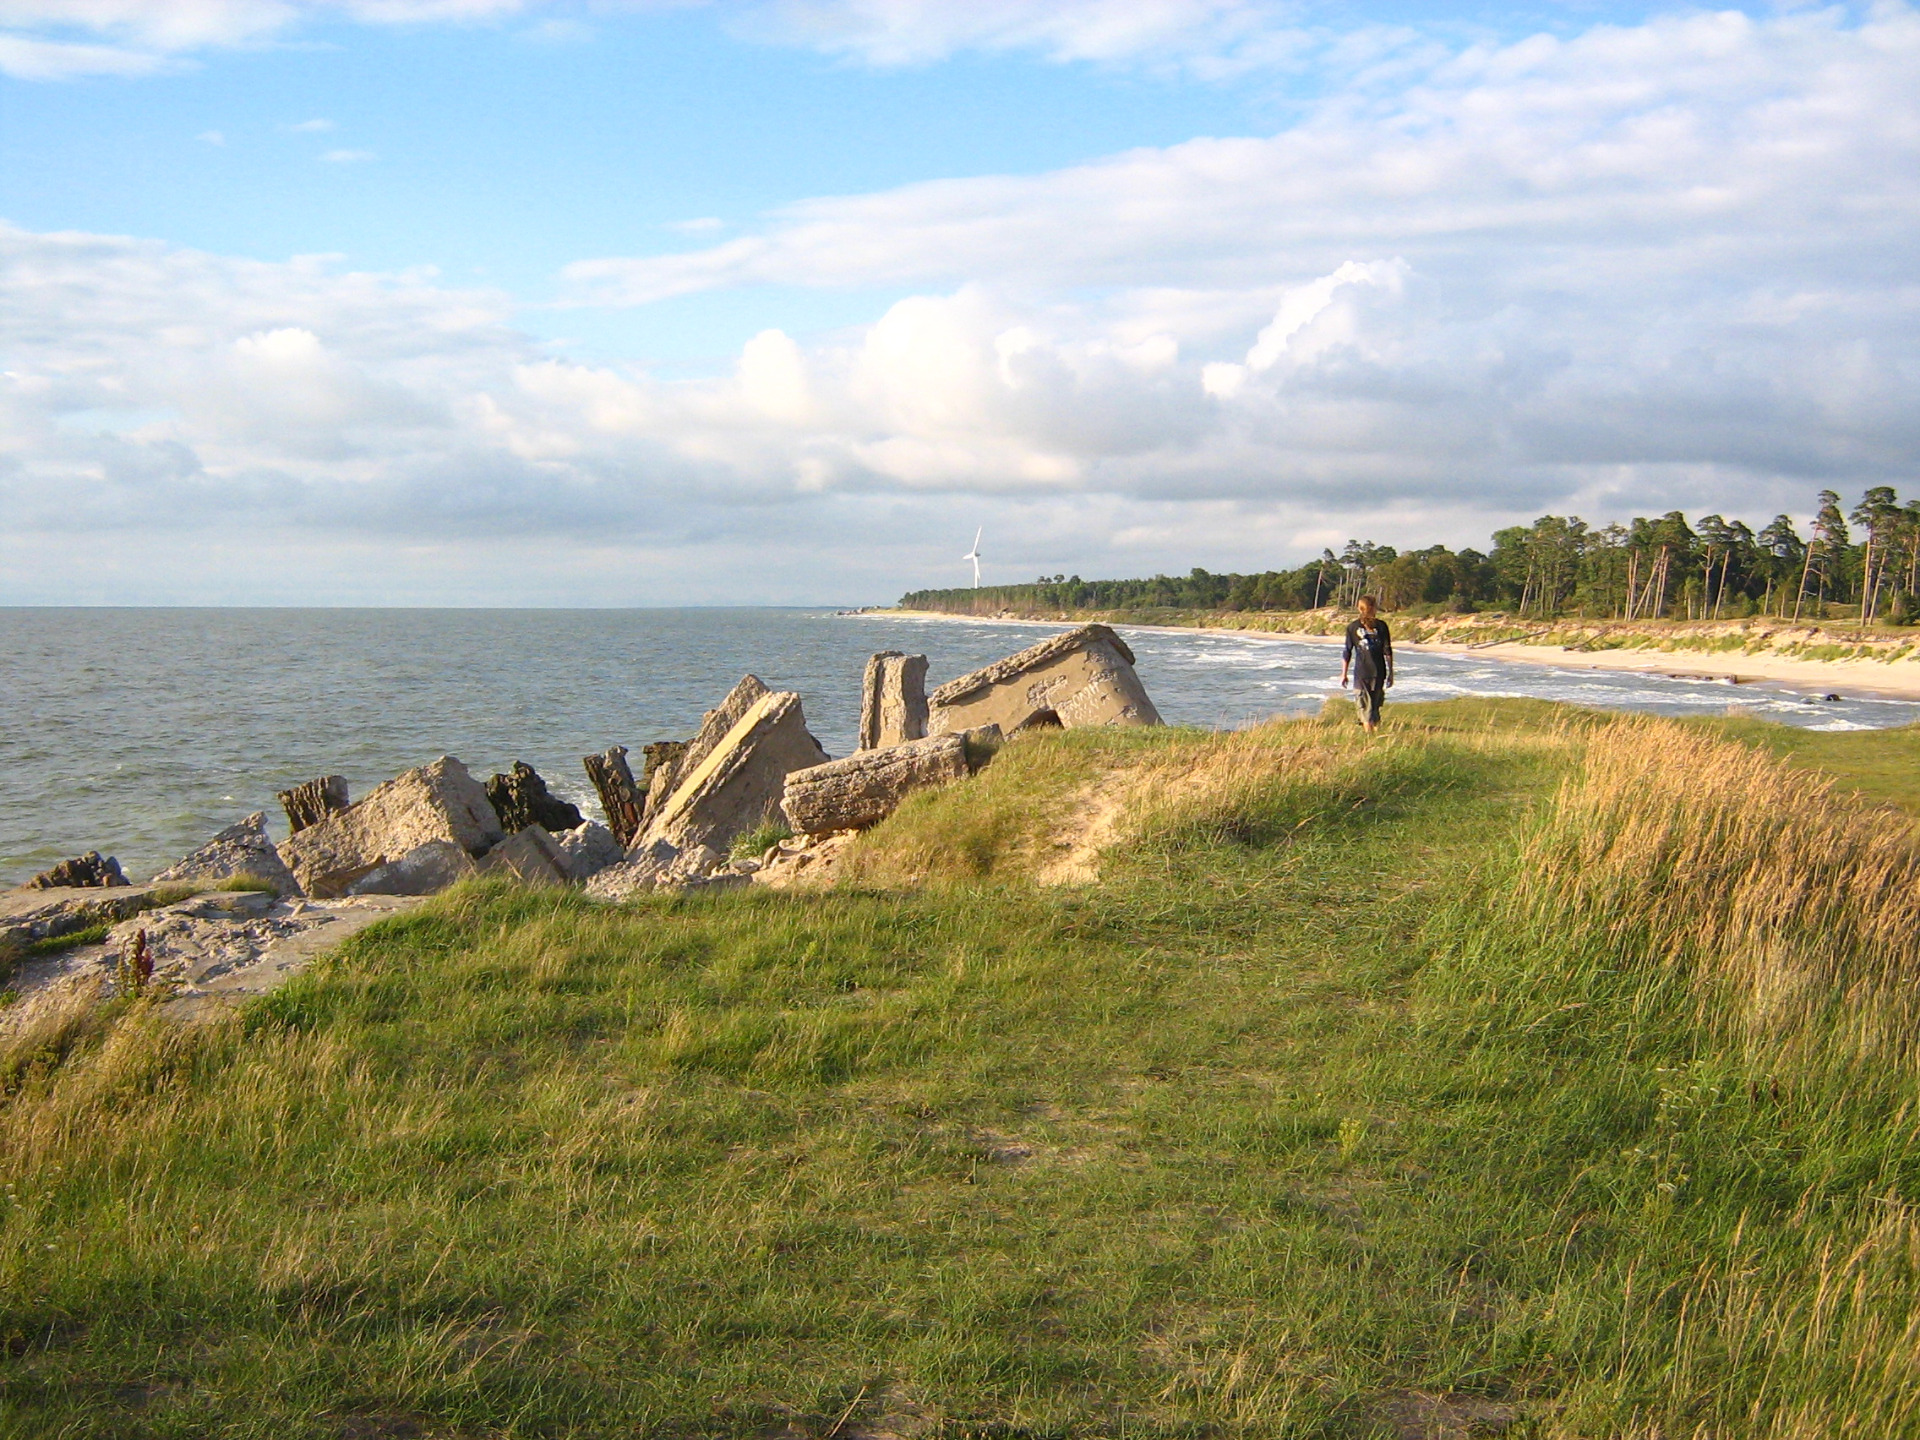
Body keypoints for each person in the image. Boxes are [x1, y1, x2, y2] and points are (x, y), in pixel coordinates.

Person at [1341, 594, 1394, 733]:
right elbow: (1387, 651)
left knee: (1364, 708)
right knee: (1374, 707)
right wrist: (1391, 673)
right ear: (1374, 608)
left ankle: (1369, 737)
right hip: (1379, 671)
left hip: (1362, 673)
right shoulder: (1382, 626)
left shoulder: (1352, 627)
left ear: (1360, 609)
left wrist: (1343, 674)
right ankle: (1374, 736)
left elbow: (1347, 652)